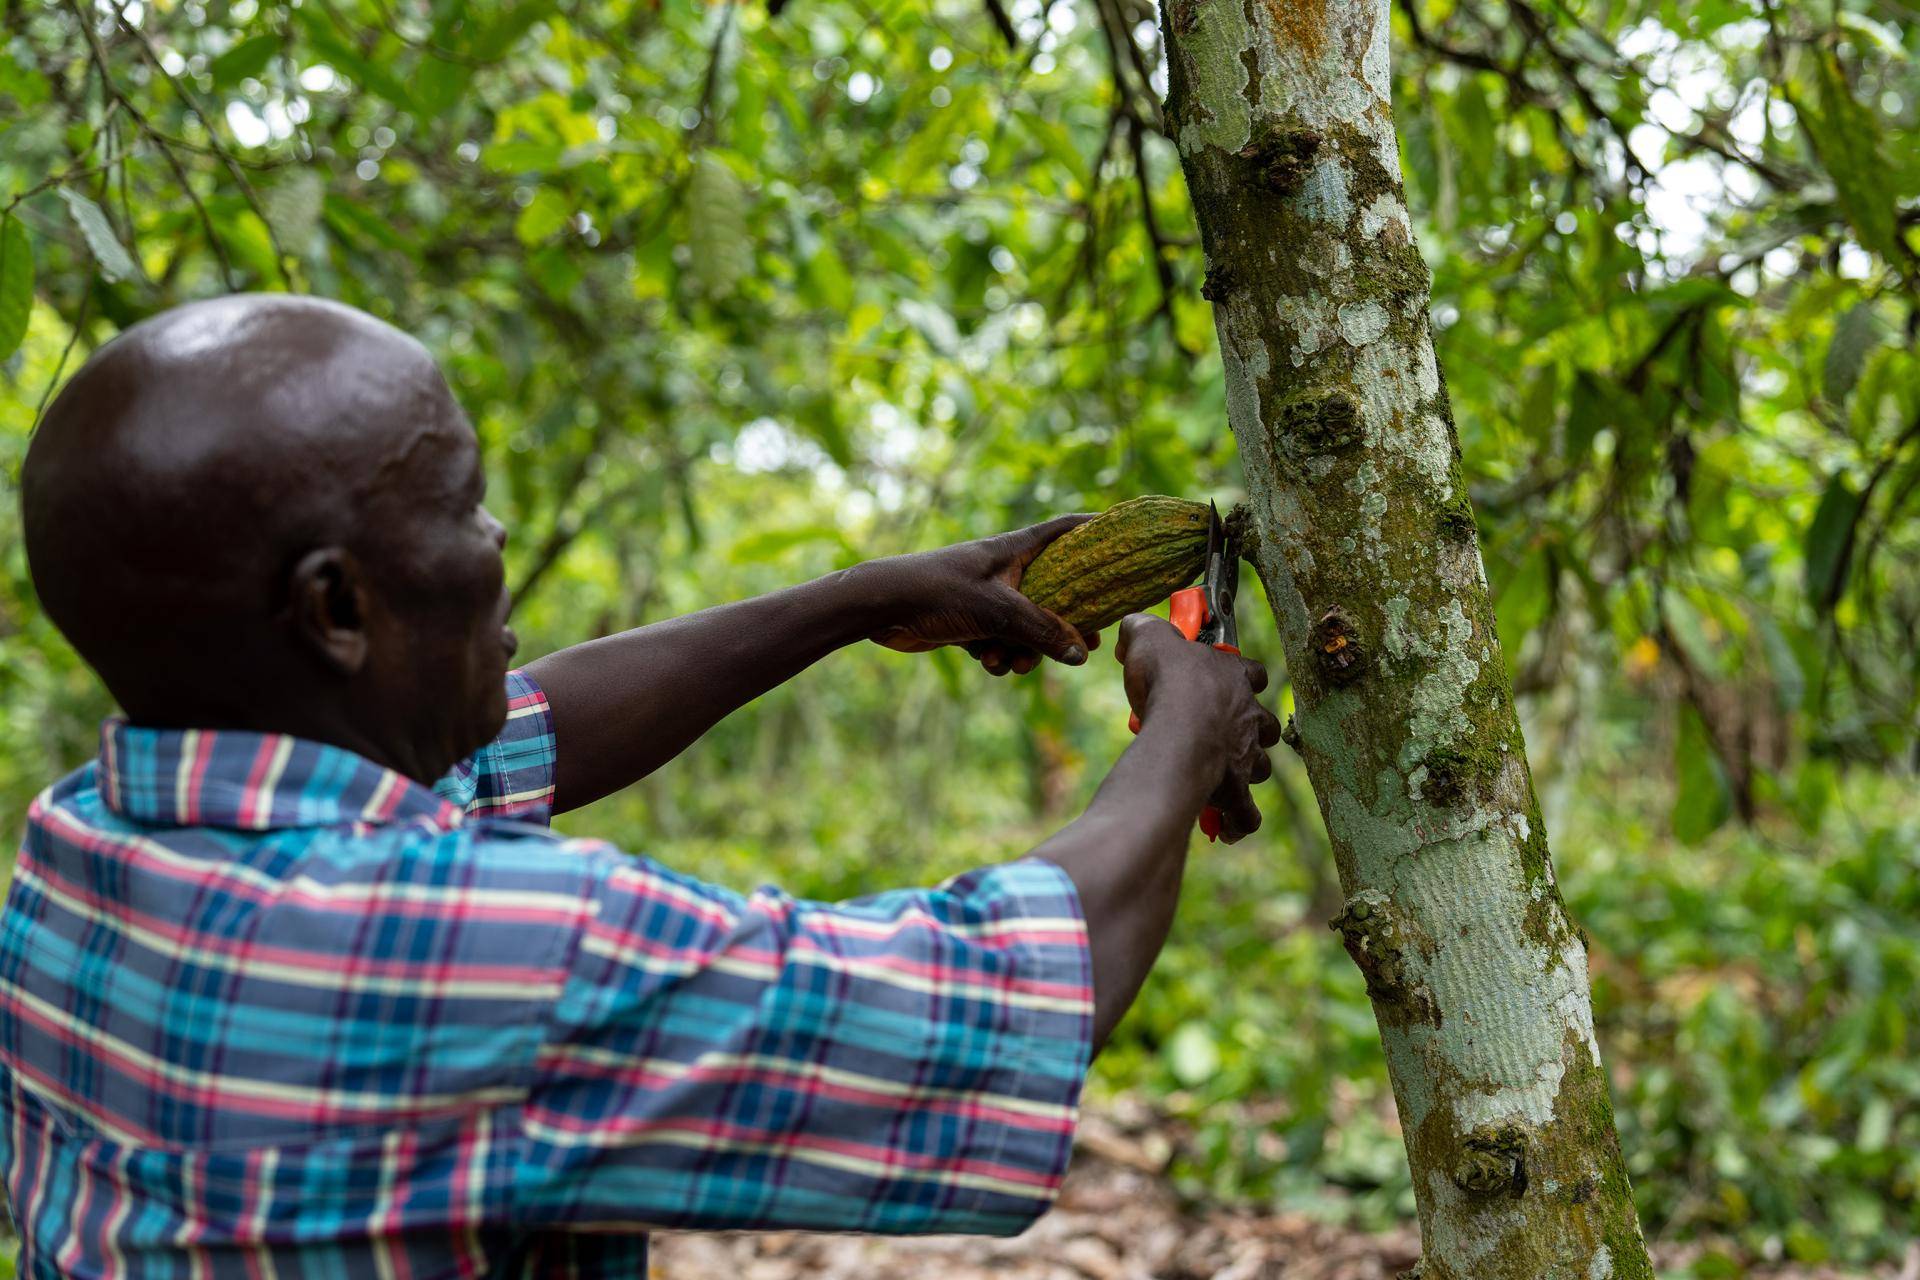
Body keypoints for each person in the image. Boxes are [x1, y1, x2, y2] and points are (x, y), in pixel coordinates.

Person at [1, 294, 1277, 1277]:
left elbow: (526, 734)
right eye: (463, 506)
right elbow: (1005, 1002)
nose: (497, 541)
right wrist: (1184, 730)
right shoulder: (476, 955)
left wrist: (860, 598)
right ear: (336, 607)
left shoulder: (80, 846)